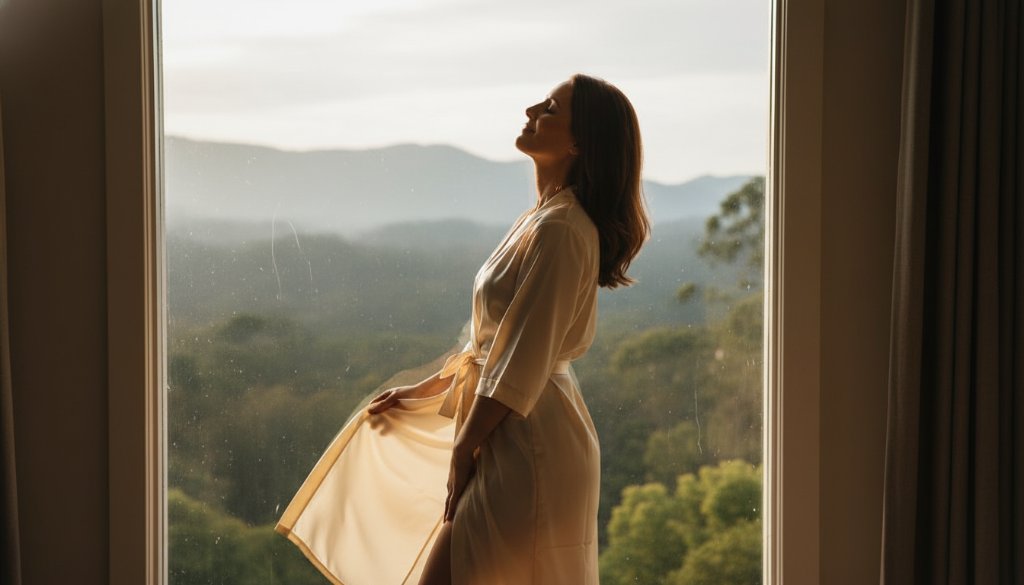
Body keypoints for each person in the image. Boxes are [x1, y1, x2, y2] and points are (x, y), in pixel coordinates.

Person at [275, 73, 649, 585]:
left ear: (579, 141)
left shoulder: (561, 229)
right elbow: (493, 346)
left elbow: (521, 360)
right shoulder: (542, 218)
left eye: (550, 108)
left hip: (529, 443)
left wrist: (463, 448)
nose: (530, 109)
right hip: (508, 429)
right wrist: (423, 389)